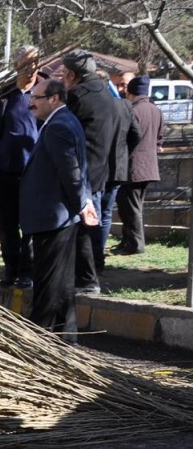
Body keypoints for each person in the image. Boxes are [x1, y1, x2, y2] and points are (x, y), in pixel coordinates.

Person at [21, 78, 96, 343]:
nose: (31, 103)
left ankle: (40, 340)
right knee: (62, 283)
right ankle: (66, 337)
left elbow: (71, 171)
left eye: (36, 98)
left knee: (48, 284)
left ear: (54, 99)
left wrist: (82, 204)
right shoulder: (62, 122)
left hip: (53, 216)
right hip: (58, 215)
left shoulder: (58, 126)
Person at [62, 50, 123, 294]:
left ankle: (86, 278)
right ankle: (93, 270)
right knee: (92, 220)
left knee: (84, 225)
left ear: (72, 75)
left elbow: (67, 131)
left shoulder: (78, 94)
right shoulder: (106, 92)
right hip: (100, 167)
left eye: (65, 74)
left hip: (82, 168)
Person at [0, 46, 39, 288]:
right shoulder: (1, 95)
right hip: (3, 170)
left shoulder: (45, 92)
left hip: (34, 172)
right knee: (6, 224)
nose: (30, 69)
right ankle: (11, 269)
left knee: (31, 224)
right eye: (25, 64)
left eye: (35, 63)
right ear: (16, 66)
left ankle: (28, 270)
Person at [115, 76, 164, 256]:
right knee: (132, 206)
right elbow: (160, 137)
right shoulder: (155, 109)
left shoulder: (132, 110)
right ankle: (127, 240)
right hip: (149, 166)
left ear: (131, 91)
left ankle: (135, 245)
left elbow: (126, 137)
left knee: (130, 208)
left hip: (133, 166)